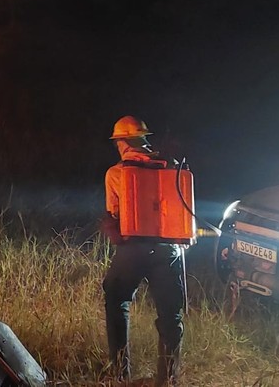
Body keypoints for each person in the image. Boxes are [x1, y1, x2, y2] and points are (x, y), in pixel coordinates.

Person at [101, 115, 186, 386]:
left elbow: (114, 214)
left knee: (116, 298)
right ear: (144, 139)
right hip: (168, 249)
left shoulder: (116, 173)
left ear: (123, 142)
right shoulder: (172, 166)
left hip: (133, 250)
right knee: (171, 315)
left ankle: (120, 374)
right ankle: (167, 379)